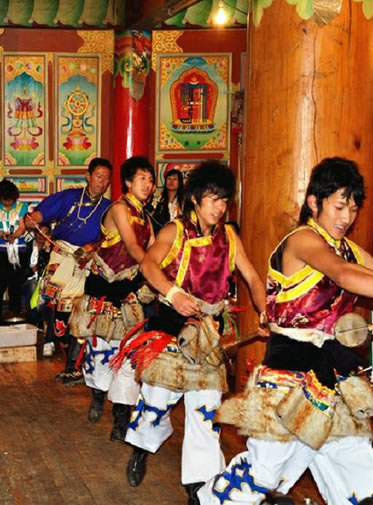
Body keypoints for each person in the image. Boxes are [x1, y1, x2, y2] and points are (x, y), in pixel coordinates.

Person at [197, 157, 373, 505]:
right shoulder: (302, 240)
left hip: (332, 377)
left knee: (361, 476)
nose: (347, 217)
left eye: (353, 208)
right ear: (314, 202)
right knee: (262, 475)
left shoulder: (346, 248)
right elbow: (343, 274)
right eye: (339, 206)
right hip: (290, 376)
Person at [118, 161, 267, 505]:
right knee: (156, 401)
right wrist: (173, 293)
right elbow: (148, 264)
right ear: (196, 199)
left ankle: (200, 486)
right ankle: (141, 449)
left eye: (224, 200)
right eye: (213, 199)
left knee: (206, 411)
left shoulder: (229, 236)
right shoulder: (176, 230)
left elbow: (252, 277)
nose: (219, 207)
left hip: (208, 335)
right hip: (172, 327)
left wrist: (266, 310)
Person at [69, 156, 155, 441]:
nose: (148, 184)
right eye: (142, 178)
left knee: (128, 360)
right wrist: (156, 272)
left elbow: (156, 250)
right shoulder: (119, 208)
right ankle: (97, 395)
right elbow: (132, 247)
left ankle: (120, 420)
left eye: (151, 180)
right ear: (128, 182)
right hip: (103, 291)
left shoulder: (146, 218)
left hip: (127, 293)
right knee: (101, 356)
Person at [25, 157, 112, 385]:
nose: (102, 182)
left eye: (106, 178)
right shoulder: (70, 198)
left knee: (81, 311)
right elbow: (40, 215)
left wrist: (92, 250)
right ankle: (60, 344)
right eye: (99, 176)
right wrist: (33, 220)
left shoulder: (109, 208)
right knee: (59, 309)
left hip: (88, 263)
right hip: (62, 256)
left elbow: (111, 237)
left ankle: (73, 365)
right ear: (88, 176)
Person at [0, 178, 28, 320]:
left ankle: (15, 312)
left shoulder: (22, 207)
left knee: (16, 283)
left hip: (19, 249)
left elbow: (22, 226)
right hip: (1, 250)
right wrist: (2, 235)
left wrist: (15, 236)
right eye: (5, 200)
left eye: (10, 200)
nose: (8, 203)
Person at [145, 165, 184, 235]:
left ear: (180, 182)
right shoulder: (158, 201)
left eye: (175, 179)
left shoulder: (183, 202)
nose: (171, 181)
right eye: (169, 178)